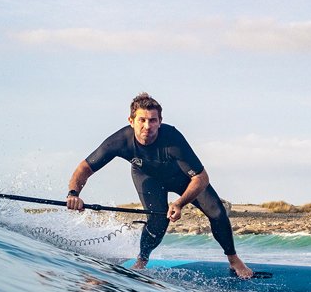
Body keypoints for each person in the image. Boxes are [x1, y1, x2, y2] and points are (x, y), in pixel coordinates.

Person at [66, 93, 254, 278]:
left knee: (217, 212)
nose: (148, 126)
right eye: (142, 120)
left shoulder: (172, 139)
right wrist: (73, 193)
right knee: (157, 221)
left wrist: (180, 203)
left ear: (160, 121)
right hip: (147, 177)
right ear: (131, 121)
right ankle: (142, 261)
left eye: (153, 120)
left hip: (183, 179)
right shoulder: (120, 141)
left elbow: (201, 178)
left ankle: (234, 260)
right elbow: (85, 168)